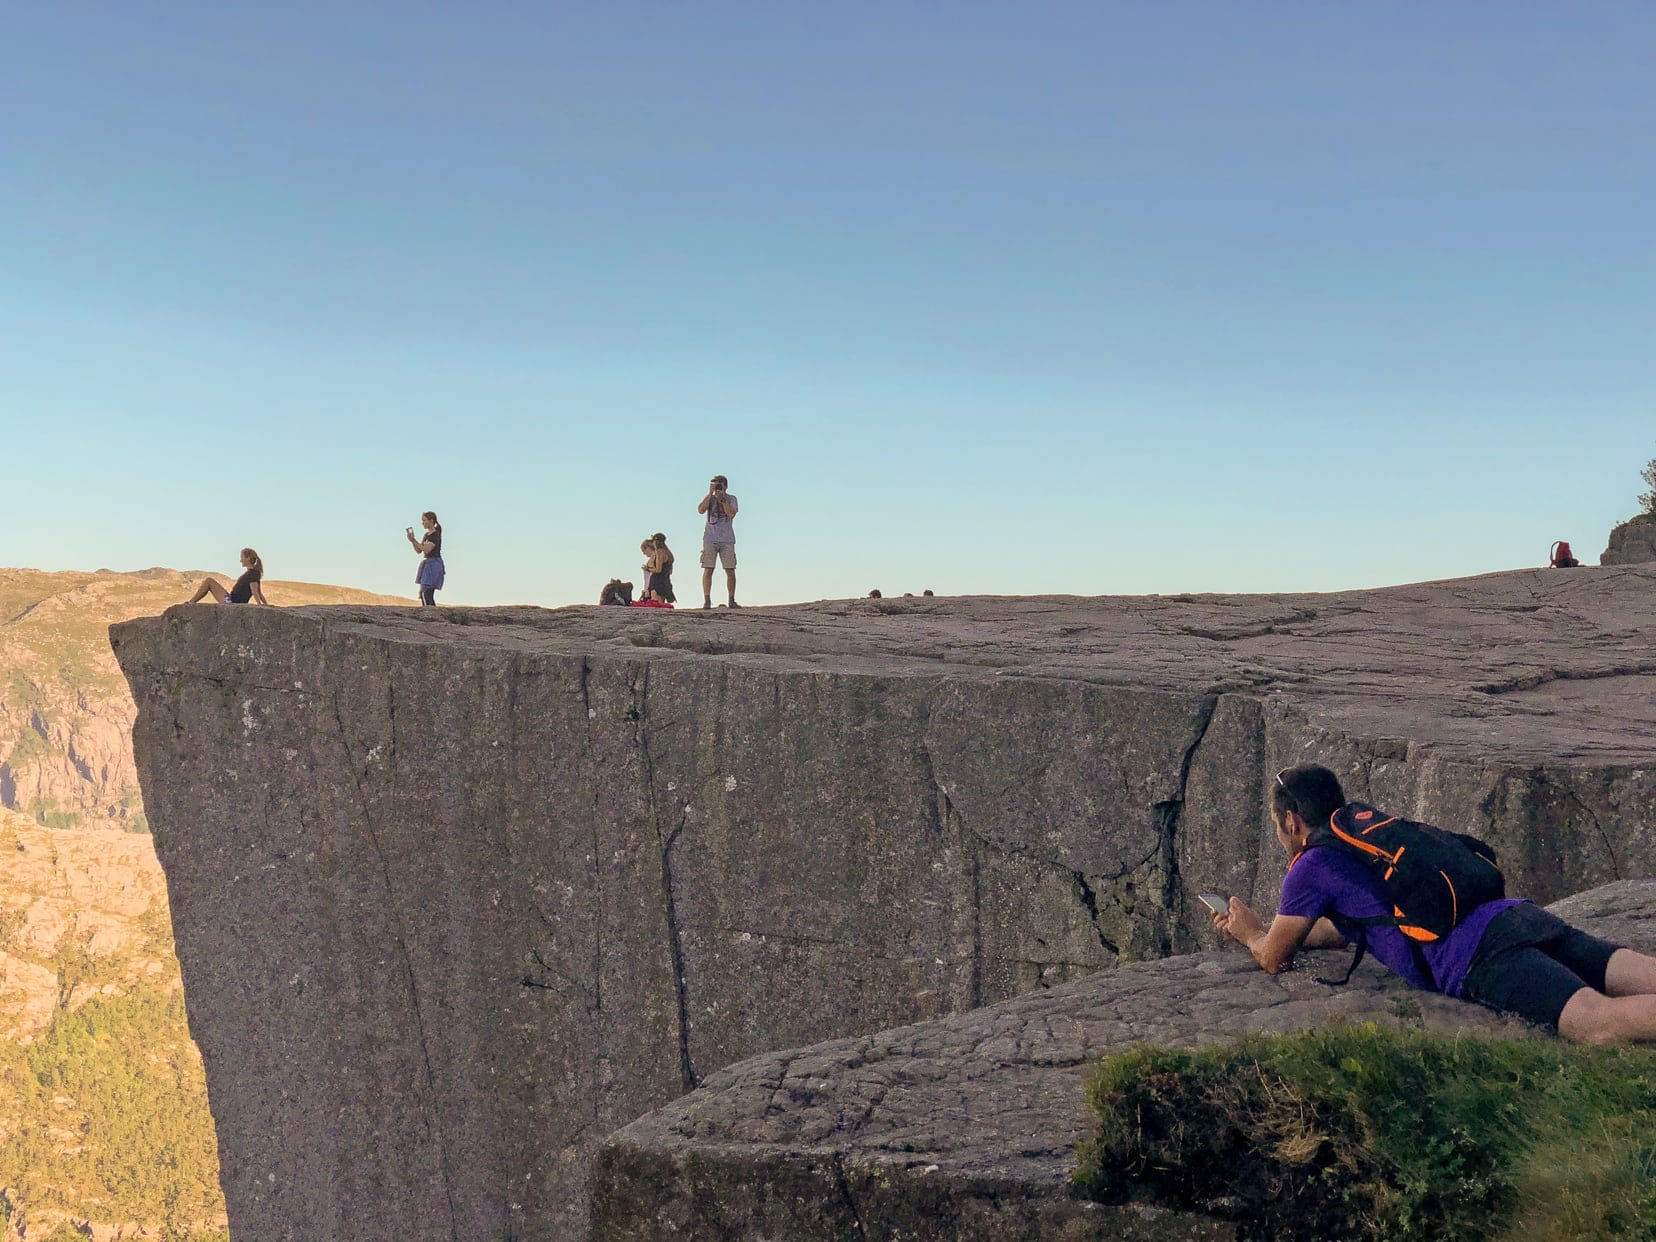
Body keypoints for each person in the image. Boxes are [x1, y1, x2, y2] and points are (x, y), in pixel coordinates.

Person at [1213, 764, 1656, 1044]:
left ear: (1291, 821)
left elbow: (1273, 958)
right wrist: (1296, 935)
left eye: (1278, 826)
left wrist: (1251, 933)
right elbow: (1355, 923)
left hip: (1477, 955)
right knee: (1633, 973)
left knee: (1598, 1024)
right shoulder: (1364, 838)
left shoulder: (1310, 864)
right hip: (1515, 917)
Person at [697, 474, 739, 609]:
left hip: (726, 539)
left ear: (725, 486)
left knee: (730, 570)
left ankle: (731, 599)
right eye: (715, 485)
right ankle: (707, 599)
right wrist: (710, 494)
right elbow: (701, 510)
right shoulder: (710, 498)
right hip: (710, 538)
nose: (718, 488)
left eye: (720, 485)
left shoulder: (731, 499)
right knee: (708, 569)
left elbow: (731, 513)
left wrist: (723, 500)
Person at [184, 548, 268, 605]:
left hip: (231, 602)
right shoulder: (254, 573)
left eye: (242, 557)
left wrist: (260, 605)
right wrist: (265, 604)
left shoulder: (252, 574)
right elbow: (259, 592)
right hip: (232, 600)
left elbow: (255, 591)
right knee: (209, 581)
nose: (240, 560)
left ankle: (191, 602)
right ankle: (192, 602)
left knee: (209, 581)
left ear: (248, 558)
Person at [407, 511, 444, 606]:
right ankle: (430, 612)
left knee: (426, 592)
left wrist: (414, 541)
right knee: (424, 592)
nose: (422, 523)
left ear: (431, 521)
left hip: (434, 564)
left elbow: (426, 549)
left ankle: (430, 614)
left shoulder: (435, 535)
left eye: (424, 520)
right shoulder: (426, 535)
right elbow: (419, 550)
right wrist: (412, 541)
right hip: (427, 564)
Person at [646, 532, 675, 603]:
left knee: (656, 604)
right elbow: (670, 571)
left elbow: (658, 570)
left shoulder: (659, 552)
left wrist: (648, 569)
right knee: (662, 604)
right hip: (666, 581)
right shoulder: (669, 553)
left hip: (657, 581)